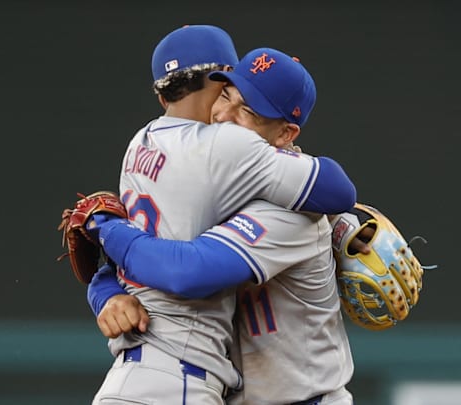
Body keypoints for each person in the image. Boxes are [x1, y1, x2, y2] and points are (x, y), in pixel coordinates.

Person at [84, 24, 357, 405]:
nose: (224, 115)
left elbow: (188, 271)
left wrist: (104, 227)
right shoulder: (213, 176)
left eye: (247, 110)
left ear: (285, 134)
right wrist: (110, 296)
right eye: (225, 94)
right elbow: (122, 266)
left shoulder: (291, 211)